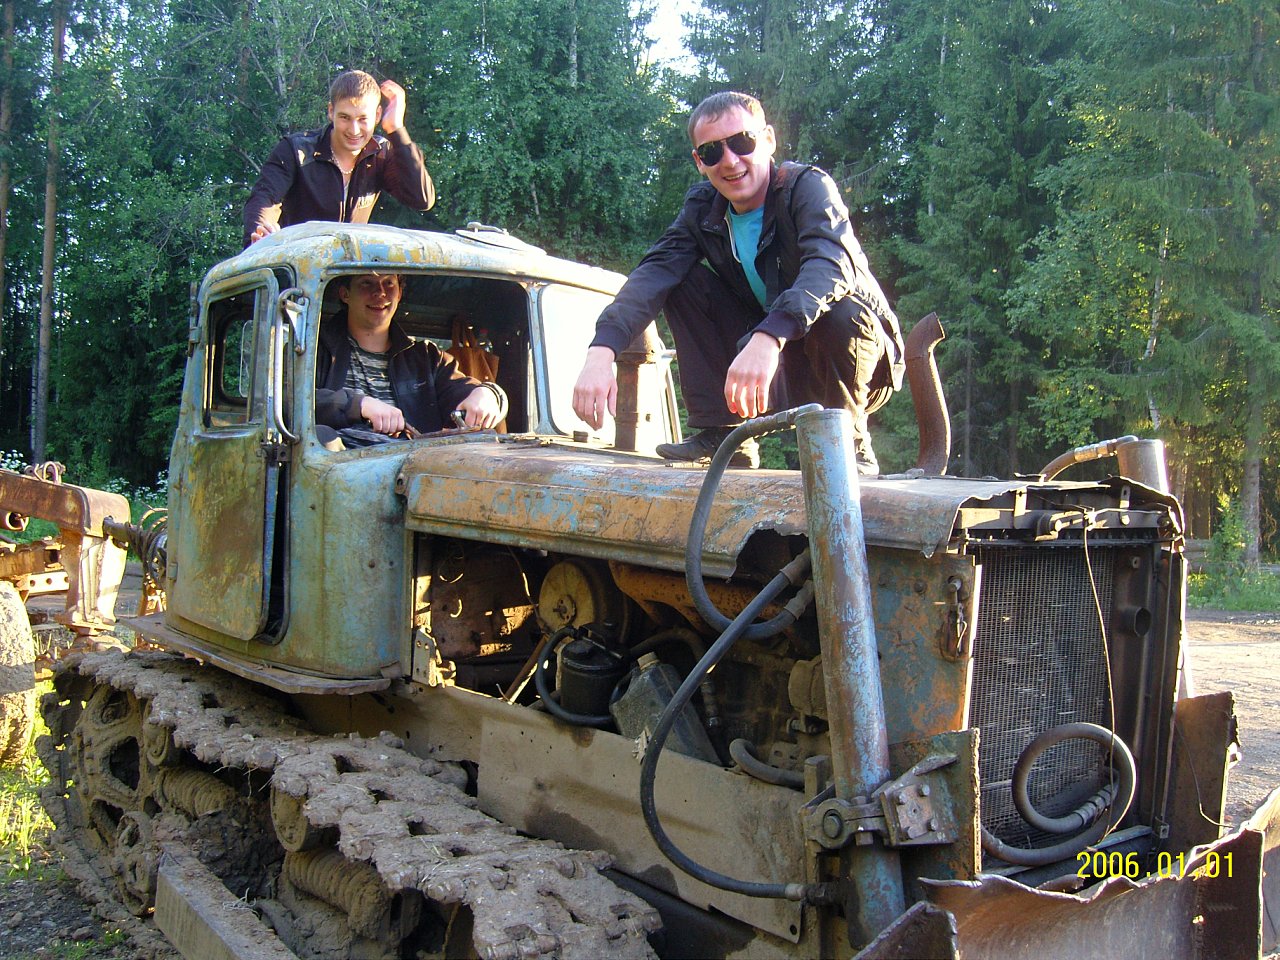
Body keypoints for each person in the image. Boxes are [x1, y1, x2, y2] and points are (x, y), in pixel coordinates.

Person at [571, 91, 904, 473]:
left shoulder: (808, 188)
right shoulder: (703, 209)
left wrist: (769, 336)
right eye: (712, 151)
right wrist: (602, 350)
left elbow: (830, 265)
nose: (730, 161)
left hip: (858, 364)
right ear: (699, 162)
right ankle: (725, 434)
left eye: (742, 142)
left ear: (768, 140)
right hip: (772, 367)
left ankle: (848, 441)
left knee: (840, 309)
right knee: (680, 280)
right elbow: (654, 272)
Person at [243, 71, 435, 247]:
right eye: (345, 117)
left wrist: (396, 129)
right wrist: (260, 235)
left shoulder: (381, 153)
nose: (354, 130)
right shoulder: (296, 150)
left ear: (377, 115)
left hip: (349, 268)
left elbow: (422, 199)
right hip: (298, 263)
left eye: (363, 119)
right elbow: (264, 198)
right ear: (330, 111)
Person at [315, 273, 506, 442]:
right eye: (366, 282)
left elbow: (466, 390)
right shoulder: (313, 351)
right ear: (345, 294)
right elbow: (297, 403)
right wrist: (357, 405)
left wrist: (488, 394)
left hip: (416, 466)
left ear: (399, 293)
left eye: (388, 283)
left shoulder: (428, 358)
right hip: (335, 464)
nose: (380, 292)